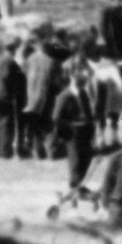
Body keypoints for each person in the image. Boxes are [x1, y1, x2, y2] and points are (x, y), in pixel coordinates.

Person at [51, 64, 97, 192]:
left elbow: (89, 114)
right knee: (75, 161)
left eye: (84, 80)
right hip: (72, 133)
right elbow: (56, 117)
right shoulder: (65, 95)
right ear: (72, 78)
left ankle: (80, 184)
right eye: (79, 80)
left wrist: (92, 131)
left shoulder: (83, 94)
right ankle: (74, 186)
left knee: (86, 159)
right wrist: (65, 131)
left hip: (85, 131)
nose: (82, 82)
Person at [0, 39, 25, 159]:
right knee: (8, 123)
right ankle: (5, 151)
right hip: (6, 95)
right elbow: (15, 79)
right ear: (13, 50)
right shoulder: (11, 62)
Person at [21, 41, 58, 159]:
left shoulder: (30, 59)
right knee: (47, 124)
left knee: (34, 124)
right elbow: (55, 81)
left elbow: (23, 72)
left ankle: (37, 151)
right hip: (45, 96)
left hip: (30, 96)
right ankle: (50, 151)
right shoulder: (51, 61)